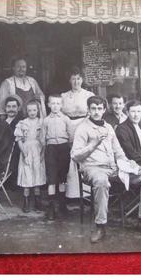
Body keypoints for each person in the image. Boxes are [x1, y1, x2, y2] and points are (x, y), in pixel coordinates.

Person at [71, 96, 141, 243]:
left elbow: (118, 152)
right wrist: (93, 144)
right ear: (88, 110)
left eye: (100, 108)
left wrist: (129, 163)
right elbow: (75, 156)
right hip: (93, 169)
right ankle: (100, 226)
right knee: (101, 181)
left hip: (114, 169)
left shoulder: (108, 127)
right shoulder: (82, 128)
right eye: (93, 108)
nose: (97, 112)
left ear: (104, 110)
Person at [61, 68, 94, 198]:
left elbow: (91, 113)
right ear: (69, 80)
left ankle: (86, 192)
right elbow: (61, 113)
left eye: (78, 78)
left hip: (84, 126)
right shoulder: (64, 96)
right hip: (69, 127)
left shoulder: (88, 95)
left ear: (82, 80)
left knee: (83, 156)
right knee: (71, 158)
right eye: (73, 78)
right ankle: (73, 193)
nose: (76, 81)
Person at [42, 94, 74, 220]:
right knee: (51, 177)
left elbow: (71, 135)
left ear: (61, 105)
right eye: (53, 103)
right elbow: (43, 137)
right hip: (51, 149)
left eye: (58, 103)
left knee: (62, 177)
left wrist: (69, 148)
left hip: (63, 148)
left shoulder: (66, 119)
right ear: (48, 105)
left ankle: (61, 204)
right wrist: (46, 148)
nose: (55, 106)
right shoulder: (46, 120)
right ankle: (51, 206)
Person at [14, 99, 46, 213]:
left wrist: (42, 153)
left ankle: (37, 201)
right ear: (26, 111)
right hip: (27, 150)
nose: (32, 112)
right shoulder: (22, 123)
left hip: (38, 150)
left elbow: (44, 140)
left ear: (38, 110)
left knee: (37, 174)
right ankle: (26, 201)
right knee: (27, 174)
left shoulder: (41, 122)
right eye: (29, 110)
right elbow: (19, 140)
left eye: (34, 110)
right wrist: (23, 152)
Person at [4, 95, 23, 189]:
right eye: (8, 106)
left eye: (14, 106)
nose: (11, 109)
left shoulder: (21, 122)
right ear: (5, 108)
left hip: (15, 153)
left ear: (18, 108)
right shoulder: (2, 122)